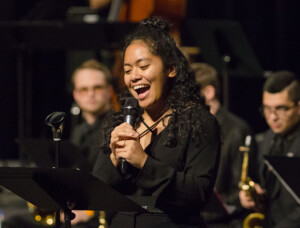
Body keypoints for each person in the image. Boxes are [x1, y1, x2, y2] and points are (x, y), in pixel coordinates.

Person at [92, 16, 221, 228]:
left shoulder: (198, 121)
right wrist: (113, 158)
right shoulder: (121, 121)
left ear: (171, 69)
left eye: (143, 67)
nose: (133, 76)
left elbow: (198, 193)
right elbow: (96, 192)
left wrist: (143, 163)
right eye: (127, 70)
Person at [191, 62, 257, 227]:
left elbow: (241, 189)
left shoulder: (237, 130)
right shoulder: (190, 126)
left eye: (189, 94)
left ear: (209, 92)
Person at [239, 71, 300, 227]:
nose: (272, 117)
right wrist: (252, 196)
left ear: (298, 106)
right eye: (267, 109)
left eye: (281, 109)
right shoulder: (266, 139)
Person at [70, 59, 114, 172]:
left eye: (97, 88)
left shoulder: (119, 128)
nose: (91, 94)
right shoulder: (78, 131)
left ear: (109, 91)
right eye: (84, 89)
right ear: (76, 95)